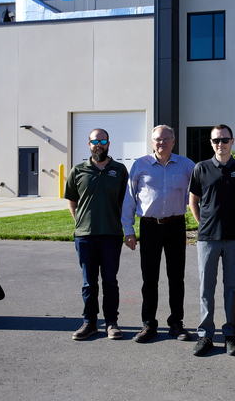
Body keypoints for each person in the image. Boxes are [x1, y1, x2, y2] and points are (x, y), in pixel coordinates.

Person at [121, 125, 195, 343]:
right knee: (149, 278)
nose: (160, 143)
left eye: (165, 139)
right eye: (156, 140)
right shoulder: (140, 165)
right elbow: (129, 199)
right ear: (152, 142)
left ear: (173, 141)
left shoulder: (186, 165)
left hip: (175, 226)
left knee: (176, 278)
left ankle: (176, 324)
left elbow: (200, 193)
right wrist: (128, 230)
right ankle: (148, 324)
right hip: (149, 227)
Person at [188, 124, 235, 357]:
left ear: (232, 142)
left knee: (232, 288)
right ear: (211, 143)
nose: (220, 144)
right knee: (206, 287)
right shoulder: (201, 168)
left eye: (225, 140)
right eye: (216, 140)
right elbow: (193, 202)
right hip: (207, 238)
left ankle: (230, 335)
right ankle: (205, 334)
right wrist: (203, 223)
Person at [65, 128, 128, 341]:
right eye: (95, 141)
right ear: (89, 144)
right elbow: (72, 201)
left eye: (102, 140)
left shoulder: (119, 170)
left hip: (111, 234)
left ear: (108, 143)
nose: (98, 144)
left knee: (110, 281)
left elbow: (123, 202)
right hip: (85, 235)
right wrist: (81, 223)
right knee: (88, 282)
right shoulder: (78, 170)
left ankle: (111, 322)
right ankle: (89, 322)